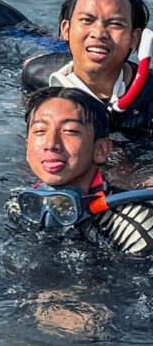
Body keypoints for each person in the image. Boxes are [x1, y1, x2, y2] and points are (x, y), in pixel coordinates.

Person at [11, 86, 153, 256]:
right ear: (28, 149)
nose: (51, 144)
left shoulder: (135, 227)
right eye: (40, 131)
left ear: (100, 149)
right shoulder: (19, 206)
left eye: (70, 131)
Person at [21, 0, 153, 133]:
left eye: (115, 24)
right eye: (87, 20)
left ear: (135, 38)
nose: (98, 33)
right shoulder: (38, 76)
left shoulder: (149, 99)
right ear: (66, 30)